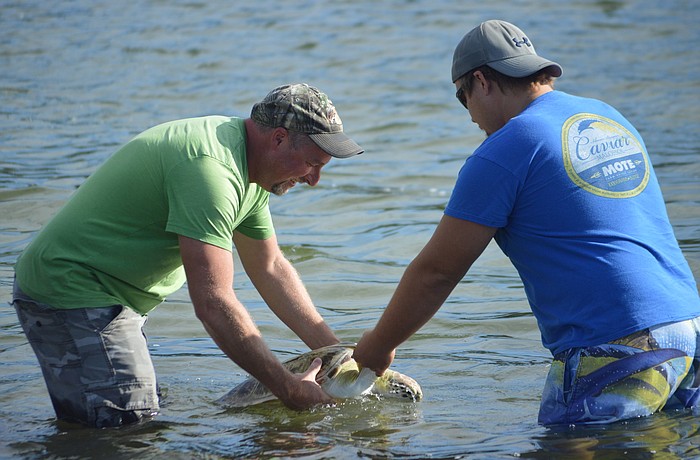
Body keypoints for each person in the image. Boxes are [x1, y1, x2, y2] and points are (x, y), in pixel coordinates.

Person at [353, 20, 700, 425]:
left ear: (481, 81)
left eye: (462, 98)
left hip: (616, 342)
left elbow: (437, 272)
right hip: (688, 325)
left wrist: (378, 347)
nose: (470, 118)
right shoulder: (605, 116)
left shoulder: (506, 148)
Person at [12, 83, 364, 428]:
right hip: (72, 290)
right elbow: (213, 303)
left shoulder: (252, 169)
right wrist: (286, 387)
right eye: (311, 164)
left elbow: (270, 268)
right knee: (126, 429)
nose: (314, 180)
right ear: (278, 139)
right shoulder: (212, 171)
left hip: (109, 295)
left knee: (132, 415)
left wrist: (340, 357)